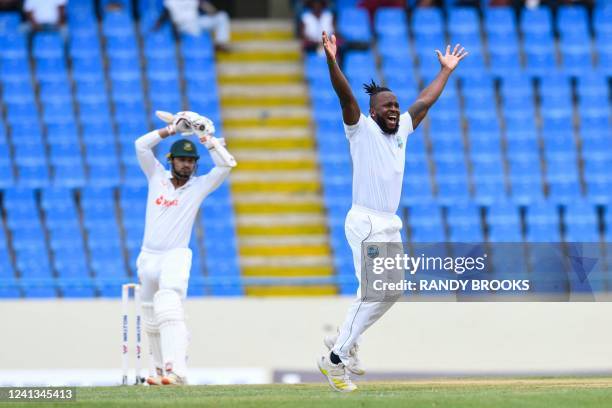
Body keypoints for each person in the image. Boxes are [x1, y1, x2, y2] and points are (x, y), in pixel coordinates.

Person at [316, 31, 467, 392]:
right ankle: (335, 360)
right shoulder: (361, 129)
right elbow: (345, 95)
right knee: (372, 292)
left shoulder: (401, 132)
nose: (395, 110)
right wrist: (331, 60)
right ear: (373, 112)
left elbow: (425, 102)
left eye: (396, 106)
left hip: (389, 223)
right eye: (388, 107)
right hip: (365, 220)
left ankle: (344, 342)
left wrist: (446, 71)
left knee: (392, 291)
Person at [134, 111, 237, 385]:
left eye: (191, 161)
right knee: (149, 315)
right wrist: (172, 129)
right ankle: (158, 371)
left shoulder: (199, 187)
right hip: (148, 256)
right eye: (181, 159)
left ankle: (177, 370)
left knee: (168, 306)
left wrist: (207, 138)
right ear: (171, 161)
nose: (186, 165)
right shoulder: (156, 176)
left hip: (175, 255)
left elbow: (227, 166)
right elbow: (140, 146)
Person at [154, 0, 230, 51]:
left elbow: (202, 4)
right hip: (183, 26)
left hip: (196, 22)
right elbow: (166, 13)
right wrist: (158, 25)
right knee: (196, 35)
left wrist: (213, 12)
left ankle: (220, 43)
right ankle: (205, 50)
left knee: (222, 16)